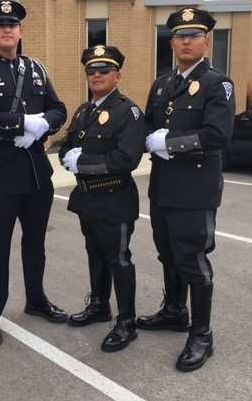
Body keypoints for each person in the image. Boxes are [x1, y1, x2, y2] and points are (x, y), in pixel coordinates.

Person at [0, 0, 68, 347]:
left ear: (21, 31)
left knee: (35, 243)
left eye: (13, 24)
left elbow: (58, 108)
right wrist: (19, 122)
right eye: (0, 24)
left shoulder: (36, 69)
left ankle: (36, 300)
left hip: (37, 173)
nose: (7, 29)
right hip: (1, 173)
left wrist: (40, 127)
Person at [138, 7, 235, 371]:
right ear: (172, 42)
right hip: (163, 187)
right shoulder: (162, 84)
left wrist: (171, 142)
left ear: (207, 40)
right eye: (179, 36)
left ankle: (202, 334)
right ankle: (174, 311)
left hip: (195, 189)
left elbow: (218, 136)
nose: (185, 41)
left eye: (193, 35)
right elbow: (148, 126)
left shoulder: (217, 83)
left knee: (193, 260)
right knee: (168, 254)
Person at [59, 45, 145, 352]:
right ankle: (99, 305)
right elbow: (67, 144)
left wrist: (82, 163)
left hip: (115, 199)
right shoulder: (84, 111)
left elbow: (128, 157)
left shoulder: (128, 112)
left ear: (117, 75)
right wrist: (66, 157)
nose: (96, 75)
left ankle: (127, 322)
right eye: (91, 71)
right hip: (88, 199)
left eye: (104, 70)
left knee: (118, 259)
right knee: (94, 254)